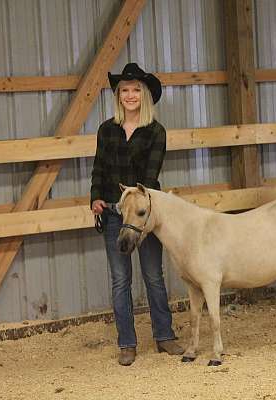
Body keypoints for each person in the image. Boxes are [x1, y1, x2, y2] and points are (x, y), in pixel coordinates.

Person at [91, 63, 184, 366]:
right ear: (119, 96)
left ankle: (164, 336)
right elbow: (99, 169)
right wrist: (95, 198)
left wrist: (131, 201)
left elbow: (149, 178)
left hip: (144, 214)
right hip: (114, 212)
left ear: (144, 96)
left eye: (135, 90)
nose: (130, 95)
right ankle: (127, 343)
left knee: (153, 276)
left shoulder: (156, 132)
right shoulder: (106, 130)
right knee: (121, 279)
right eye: (125, 91)